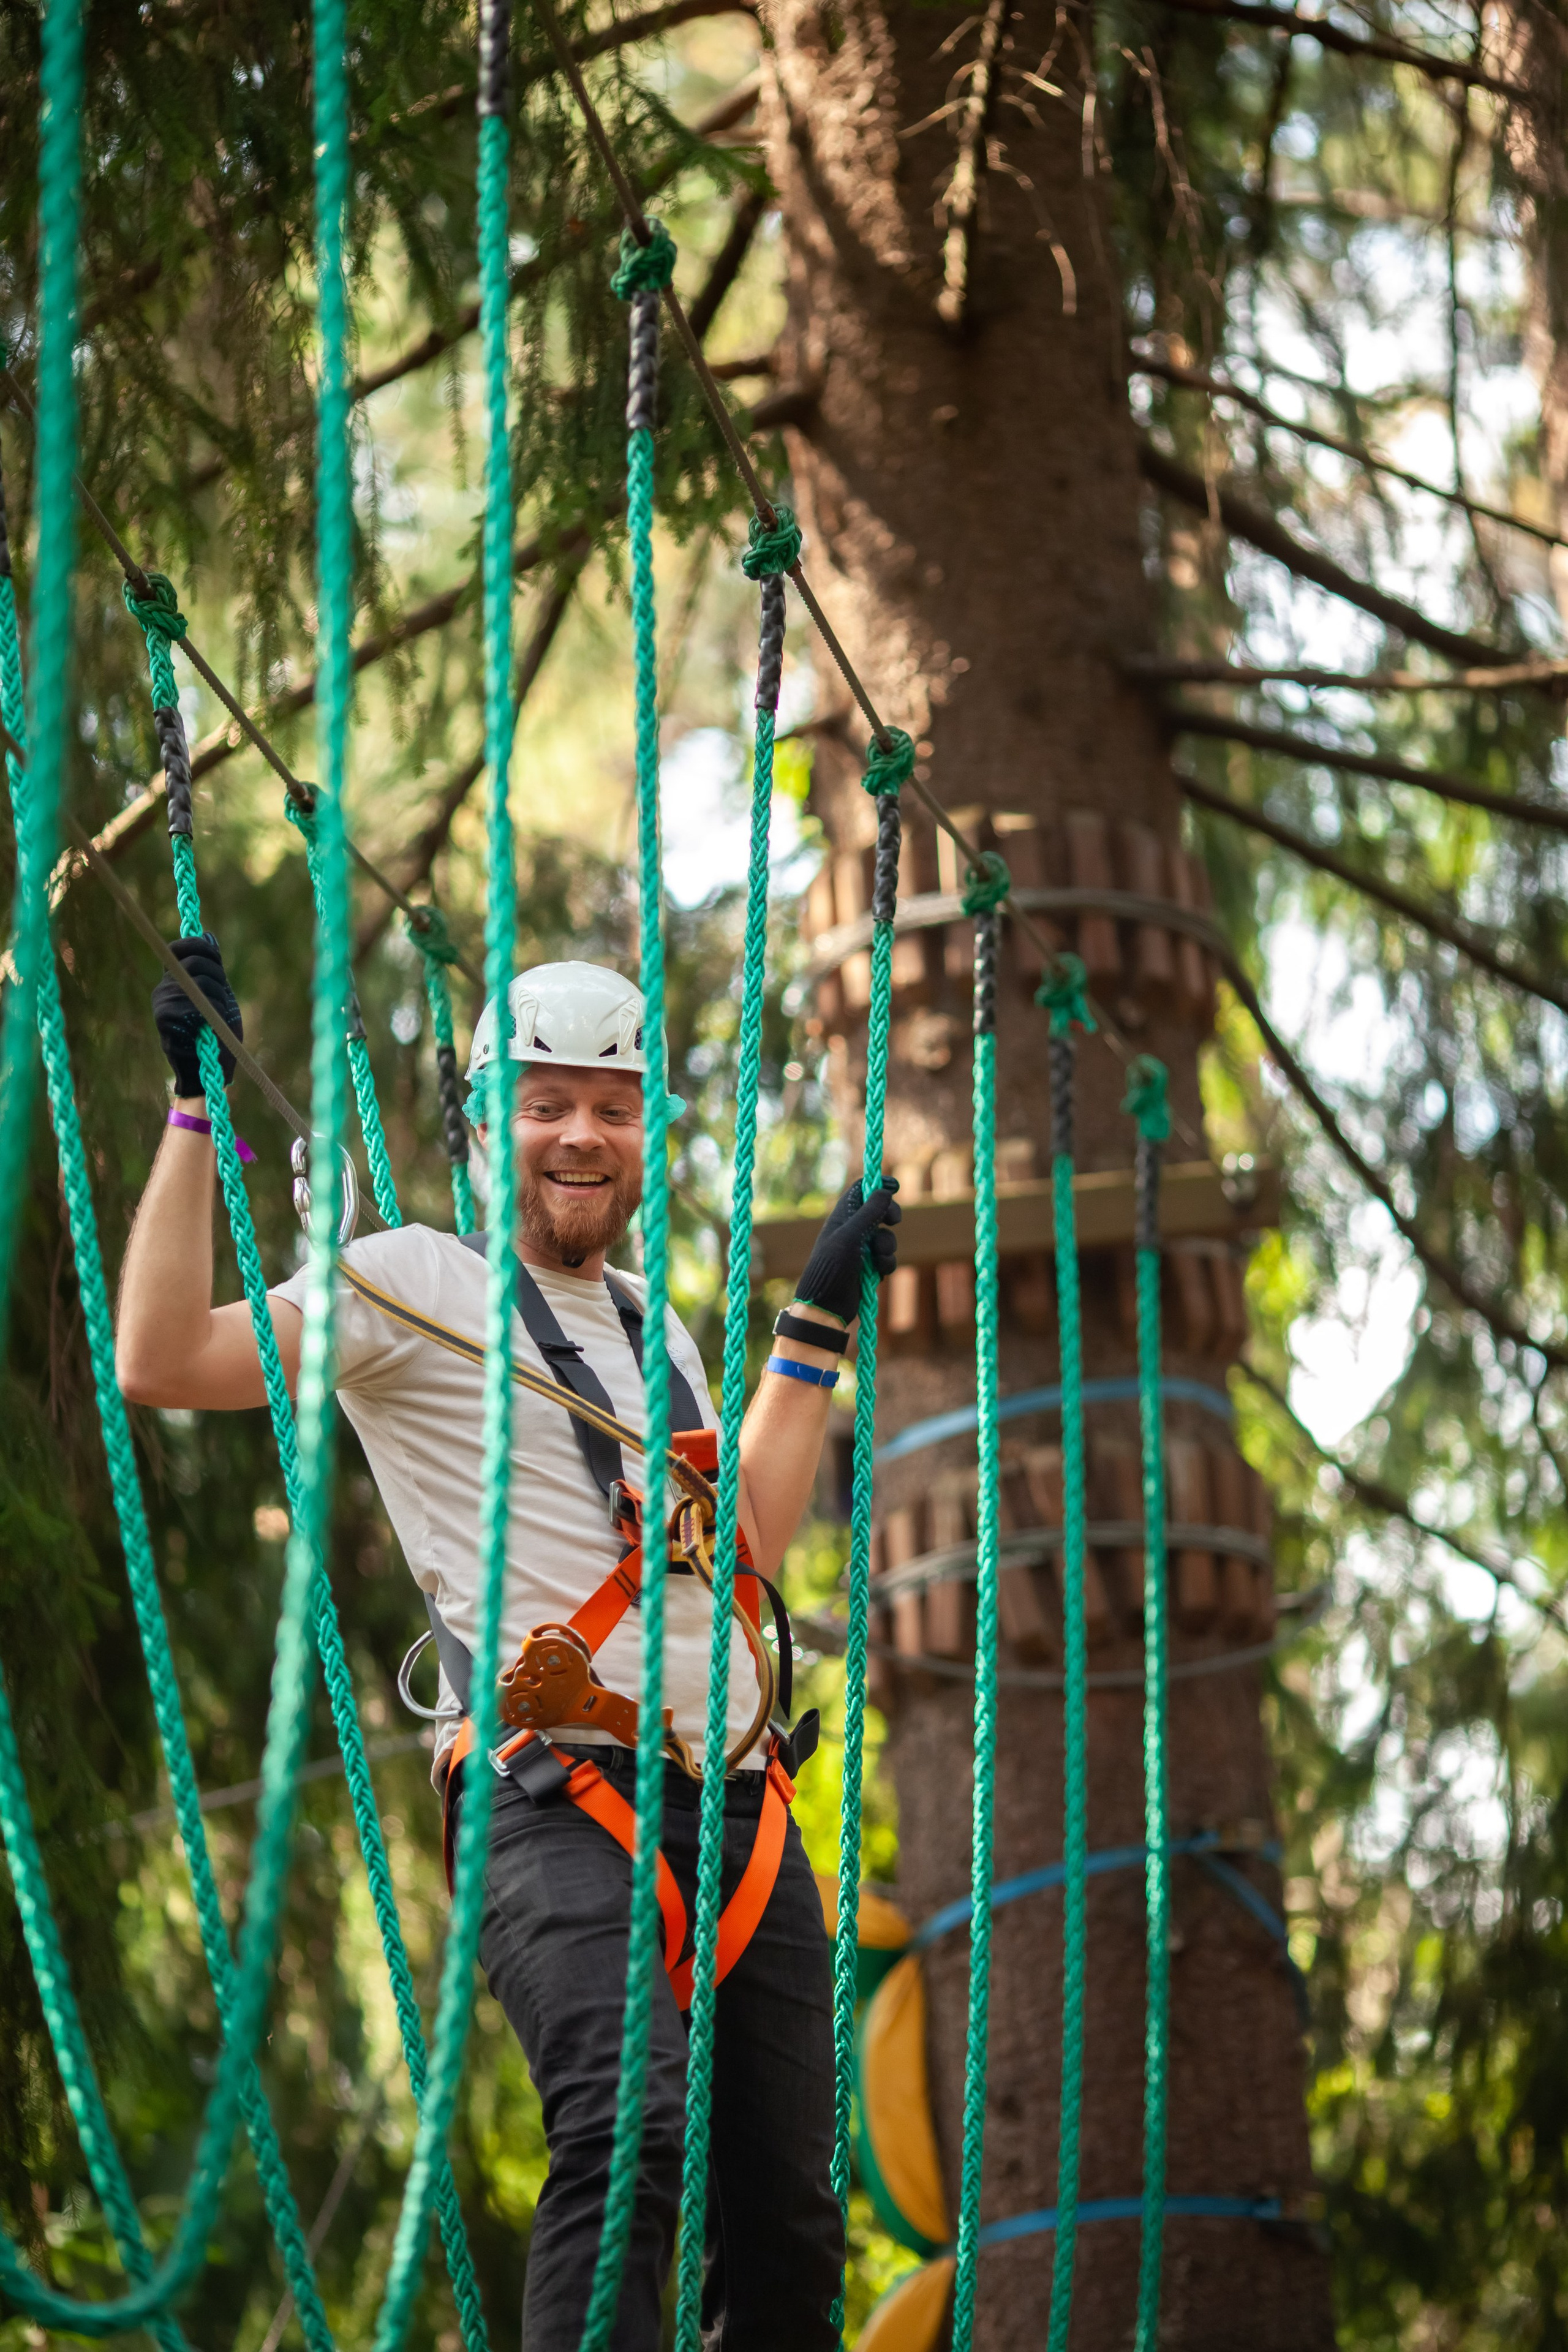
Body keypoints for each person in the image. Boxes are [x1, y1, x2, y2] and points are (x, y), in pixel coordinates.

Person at [115, 943, 901, 2352]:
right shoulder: (407, 1287)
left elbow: (746, 1563)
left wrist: (814, 1326)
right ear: (486, 1123)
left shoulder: (652, 1328)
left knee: (788, 2227)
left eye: (610, 1105)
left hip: (737, 1804)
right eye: (545, 1104)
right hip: (555, 1794)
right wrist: (194, 1112)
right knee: (628, 2128)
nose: (580, 1135)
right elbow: (163, 1356)